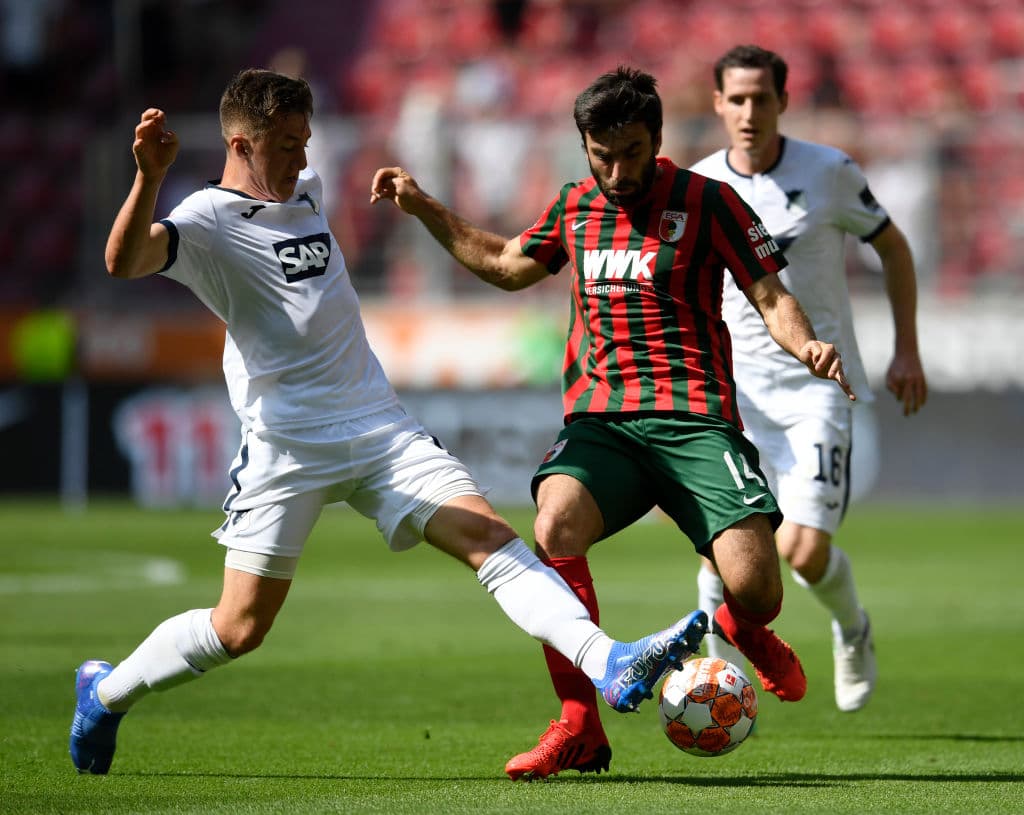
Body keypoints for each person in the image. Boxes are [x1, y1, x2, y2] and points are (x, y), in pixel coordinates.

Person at [69, 68, 710, 776]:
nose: (303, 159)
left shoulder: (305, 192)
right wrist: (147, 178)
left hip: (379, 425)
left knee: (487, 533)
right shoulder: (206, 221)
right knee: (240, 627)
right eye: (285, 144)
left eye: (305, 140)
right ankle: (105, 691)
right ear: (239, 142)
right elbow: (123, 260)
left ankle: (607, 660)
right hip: (288, 447)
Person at [371, 66, 855, 781]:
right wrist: (423, 206)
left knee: (759, 586)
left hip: (696, 421)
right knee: (554, 521)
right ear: (585, 146)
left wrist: (807, 342)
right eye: (602, 154)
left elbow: (769, 293)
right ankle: (578, 727)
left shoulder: (708, 200)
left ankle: (740, 622)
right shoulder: (575, 206)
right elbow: (507, 264)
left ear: (656, 139)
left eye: (631, 151)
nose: (617, 169)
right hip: (604, 420)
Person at [689, 45, 927, 714]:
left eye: (760, 98)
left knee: (800, 548)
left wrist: (907, 347)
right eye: (735, 99)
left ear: (782, 102)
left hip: (819, 387)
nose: (748, 112)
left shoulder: (829, 172)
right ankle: (718, 683)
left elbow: (893, 247)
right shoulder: (699, 185)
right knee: (721, 548)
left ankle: (851, 627)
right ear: (716, 104)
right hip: (730, 394)